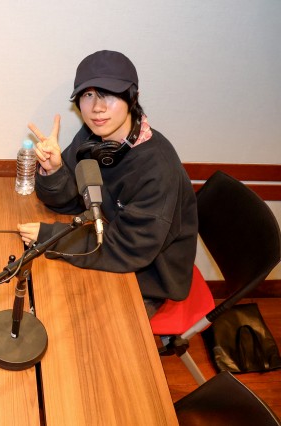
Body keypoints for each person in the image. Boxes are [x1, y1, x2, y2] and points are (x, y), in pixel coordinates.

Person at [17, 50, 197, 318]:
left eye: (109, 94)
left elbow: (126, 249)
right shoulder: (93, 137)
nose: (96, 108)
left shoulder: (158, 170)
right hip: (104, 238)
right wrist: (54, 171)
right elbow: (70, 200)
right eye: (88, 95)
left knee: (75, 327)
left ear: (132, 98)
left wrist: (49, 237)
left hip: (147, 275)